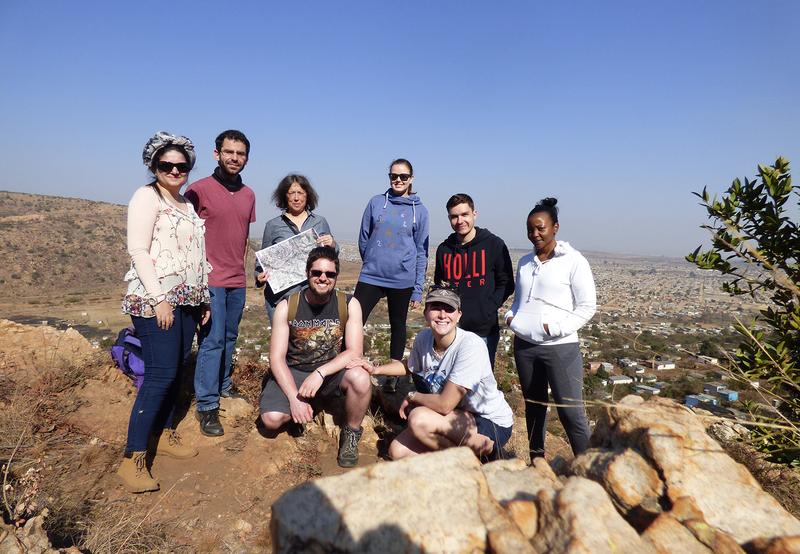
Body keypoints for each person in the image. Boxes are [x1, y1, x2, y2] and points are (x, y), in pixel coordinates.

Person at [117, 132, 211, 493]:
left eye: (181, 165)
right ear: (153, 166)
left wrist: (201, 298)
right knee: (159, 375)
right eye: (165, 165)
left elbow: (194, 257)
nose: (174, 170)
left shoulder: (186, 204)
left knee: (175, 373)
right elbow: (138, 251)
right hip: (155, 301)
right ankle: (133, 458)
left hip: (186, 301)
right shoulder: (146, 197)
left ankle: (165, 432)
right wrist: (159, 298)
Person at [349, 287, 513, 461]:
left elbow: (445, 404)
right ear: (426, 312)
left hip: (488, 422)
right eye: (435, 307)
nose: (442, 315)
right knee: (397, 451)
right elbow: (410, 366)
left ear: (458, 315)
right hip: (456, 416)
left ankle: (473, 458)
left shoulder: (470, 346)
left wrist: (413, 396)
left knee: (419, 419)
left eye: (449, 309)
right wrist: (375, 369)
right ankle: (465, 455)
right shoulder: (424, 338)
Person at [259, 246, 372, 468]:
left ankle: (351, 432)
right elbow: (276, 358)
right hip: (295, 371)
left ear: (336, 277)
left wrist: (321, 373)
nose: (323, 278)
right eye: (317, 273)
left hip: (331, 372)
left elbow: (354, 351)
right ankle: (300, 409)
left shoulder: (349, 304)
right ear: (307, 273)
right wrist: (293, 398)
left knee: (360, 377)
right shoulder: (287, 305)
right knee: (271, 420)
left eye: (330, 274)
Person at [505, 197, 596, 460]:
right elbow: (520, 300)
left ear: (555, 227)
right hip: (525, 347)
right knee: (534, 407)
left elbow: (587, 306)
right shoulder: (524, 262)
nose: (535, 234)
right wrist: (512, 317)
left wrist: (555, 328)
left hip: (561, 347)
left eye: (541, 228)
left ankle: (587, 467)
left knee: (571, 411)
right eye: (530, 229)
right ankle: (537, 461)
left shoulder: (573, 261)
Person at [184, 130, 255, 437]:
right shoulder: (198, 190)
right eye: (229, 152)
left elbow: (241, 237)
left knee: (229, 337)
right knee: (211, 340)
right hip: (209, 279)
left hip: (236, 279)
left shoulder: (249, 195)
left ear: (246, 158)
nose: (234, 158)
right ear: (216, 154)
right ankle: (207, 406)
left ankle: (224, 387)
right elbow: (186, 238)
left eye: (240, 154)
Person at [355, 158, 429, 391]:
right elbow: (363, 238)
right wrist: (372, 261)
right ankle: (350, 368)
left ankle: (393, 377)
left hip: (402, 279)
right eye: (394, 176)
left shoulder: (420, 211)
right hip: (372, 275)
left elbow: (421, 251)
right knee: (355, 321)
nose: (398, 180)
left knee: (398, 325)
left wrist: (418, 288)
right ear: (389, 177)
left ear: (411, 179)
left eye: (403, 177)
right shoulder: (376, 203)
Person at [434, 193, 514, 368]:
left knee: (480, 385)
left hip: (483, 330)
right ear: (449, 218)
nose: (460, 221)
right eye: (454, 216)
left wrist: (488, 307)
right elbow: (439, 287)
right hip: (451, 331)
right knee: (449, 381)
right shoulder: (444, 250)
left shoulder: (494, 245)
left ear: (474, 214)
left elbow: (506, 283)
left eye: (464, 215)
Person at [255, 174, 336, 321]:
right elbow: (260, 264)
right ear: (284, 196)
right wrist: (259, 277)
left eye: (300, 193)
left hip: (313, 298)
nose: (296, 198)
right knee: (282, 342)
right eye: (292, 193)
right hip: (281, 299)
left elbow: (332, 259)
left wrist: (333, 245)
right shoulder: (272, 225)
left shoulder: (320, 222)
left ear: (308, 195)